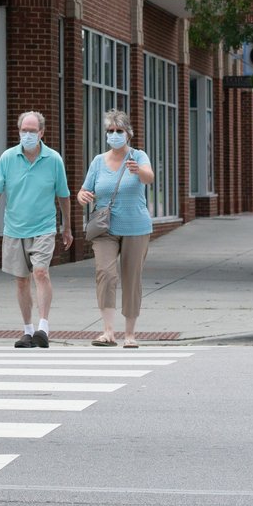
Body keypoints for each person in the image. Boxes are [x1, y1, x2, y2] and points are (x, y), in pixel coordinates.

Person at [0, 110, 71, 348]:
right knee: (21, 280)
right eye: (24, 130)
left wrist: (67, 227)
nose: (28, 135)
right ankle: (28, 330)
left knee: (40, 272)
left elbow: (64, 196)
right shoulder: (8, 158)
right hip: (14, 229)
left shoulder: (54, 160)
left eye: (32, 131)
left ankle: (43, 327)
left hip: (44, 227)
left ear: (41, 132)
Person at [77, 109, 155, 348]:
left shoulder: (138, 156)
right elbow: (84, 189)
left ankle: (129, 334)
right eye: (110, 131)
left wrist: (138, 170)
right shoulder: (98, 161)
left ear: (128, 133)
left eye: (119, 130)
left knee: (132, 278)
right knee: (106, 274)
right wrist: (82, 196)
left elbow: (149, 178)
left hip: (136, 227)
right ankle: (108, 332)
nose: (114, 135)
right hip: (105, 228)